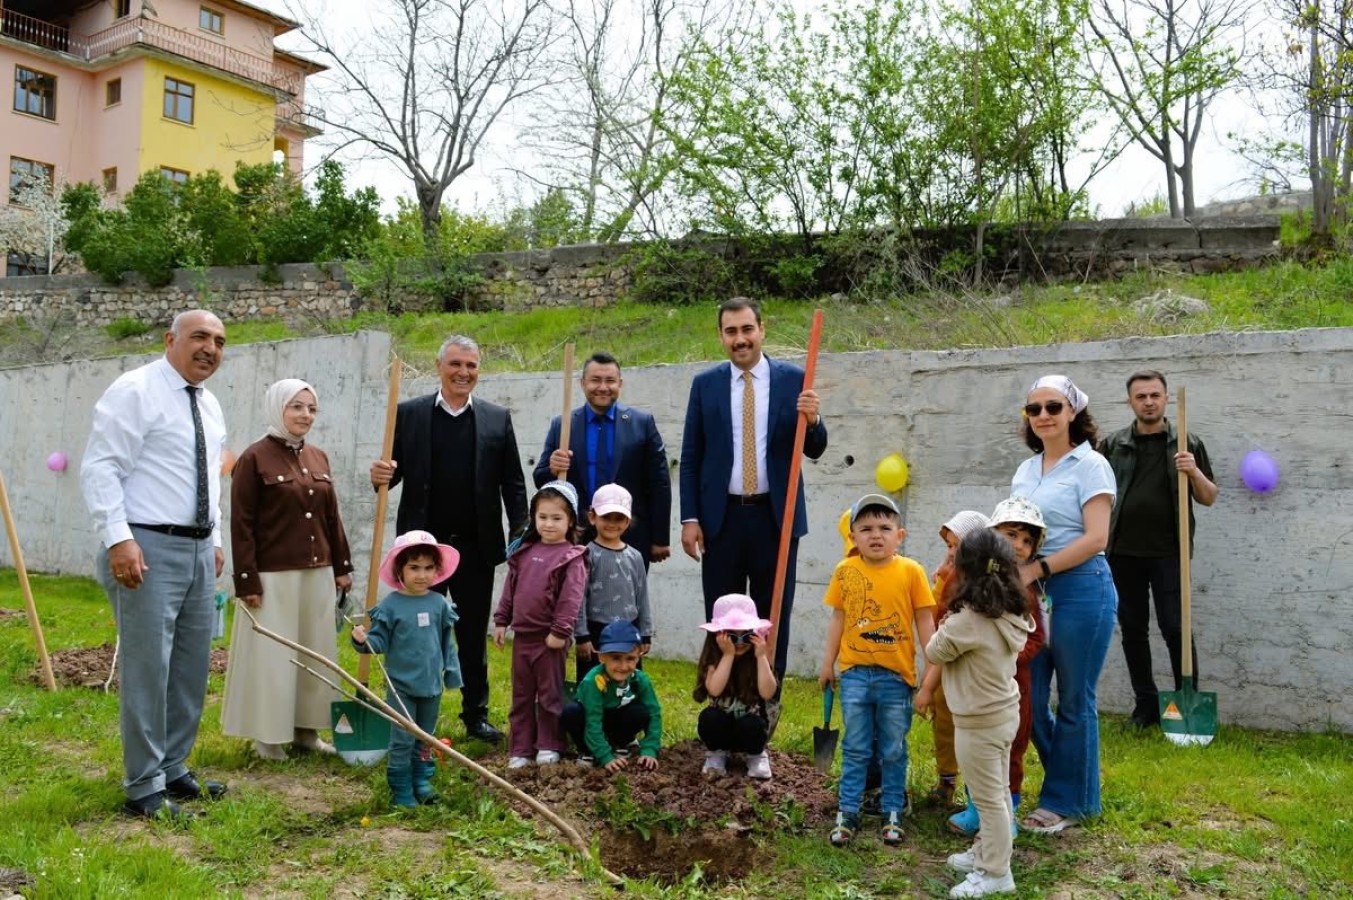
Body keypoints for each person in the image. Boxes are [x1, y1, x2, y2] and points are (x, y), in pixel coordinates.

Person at [80, 309, 230, 820]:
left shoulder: (209, 404)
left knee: (190, 665)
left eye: (219, 341)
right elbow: (101, 466)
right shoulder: (135, 390)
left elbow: (208, 480)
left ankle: (172, 766)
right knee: (149, 668)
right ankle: (143, 785)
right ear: (170, 339)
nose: (210, 348)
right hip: (145, 545)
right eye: (200, 337)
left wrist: (215, 539)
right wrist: (118, 539)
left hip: (197, 548)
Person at [370, 335, 529, 744]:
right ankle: (410, 712)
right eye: (456, 364)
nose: (463, 372)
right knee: (416, 632)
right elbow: (391, 475)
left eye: (471, 365)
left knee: (472, 634)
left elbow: (513, 481)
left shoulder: (496, 418)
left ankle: (476, 715)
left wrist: (520, 530)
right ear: (439, 367)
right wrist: (380, 475)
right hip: (422, 551)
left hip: (475, 547)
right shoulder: (410, 415)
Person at [679, 297, 827, 684]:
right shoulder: (705, 385)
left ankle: (765, 703)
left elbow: (814, 448)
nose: (740, 339)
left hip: (775, 519)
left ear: (762, 329)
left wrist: (814, 420)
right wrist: (690, 518)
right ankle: (722, 701)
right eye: (731, 331)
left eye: (747, 329)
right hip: (721, 520)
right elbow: (691, 455)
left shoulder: (793, 379)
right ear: (721, 336)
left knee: (772, 615)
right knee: (722, 619)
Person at [221, 379, 354, 761]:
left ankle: (306, 732)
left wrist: (341, 566)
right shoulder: (253, 458)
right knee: (273, 658)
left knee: (315, 654)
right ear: (277, 407)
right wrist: (247, 579)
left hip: (318, 573)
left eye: (311, 408)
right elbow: (241, 524)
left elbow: (332, 517)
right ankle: (268, 738)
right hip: (273, 577)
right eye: (296, 406)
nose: (305, 415)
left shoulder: (319, 457)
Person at [1009, 374, 1117, 834]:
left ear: (1073, 412)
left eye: (1053, 407)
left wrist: (1038, 569)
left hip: (1081, 587)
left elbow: (1097, 537)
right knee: (1028, 698)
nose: (1043, 416)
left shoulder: (1091, 465)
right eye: (1034, 409)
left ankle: (1064, 801)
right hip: (1031, 594)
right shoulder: (1025, 470)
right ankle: (1074, 785)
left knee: (1075, 698)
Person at [1100, 370, 1217, 728]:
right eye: (1141, 396)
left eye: (1154, 395)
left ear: (1166, 398)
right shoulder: (1113, 445)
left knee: (1176, 628)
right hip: (1122, 553)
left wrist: (1193, 471)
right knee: (1133, 629)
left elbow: (1209, 497)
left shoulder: (1186, 442)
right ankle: (1146, 706)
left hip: (1170, 553)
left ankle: (1187, 703)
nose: (1148, 402)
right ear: (1130, 402)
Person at [819, 493, 937, 848]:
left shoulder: (911, 572)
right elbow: (838, 618)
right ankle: (848, 811)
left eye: (885, 528)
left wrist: (932, 667)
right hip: (855, 674)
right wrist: (827, 663)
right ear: (852, 536)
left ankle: (892, 810)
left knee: (893, 749)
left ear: (900, 535)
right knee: (855, 747)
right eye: (866, 528)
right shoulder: (845, 572)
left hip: (896, 678)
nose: (875, 535)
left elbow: (924, 620)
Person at [926, 529, 1035, 899]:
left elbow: (934, 651)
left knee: (988, 799)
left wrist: (948, 615)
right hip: (1003, 713)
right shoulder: (1009, 611)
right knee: (998, 792)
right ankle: (987, 851)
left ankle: (995, 872)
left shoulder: (968, 620)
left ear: (964, 571)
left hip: (977, 721)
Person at [939, 498, 1048, 837]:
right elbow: (944, 616)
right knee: (974, 750)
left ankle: (1006, 813)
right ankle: (977, 808)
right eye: (1011, 535)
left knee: (1010, 749)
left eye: (1027, 540)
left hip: (1011, 687)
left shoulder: (1024, 589)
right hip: (972, 687)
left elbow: (1036, 636)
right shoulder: (962, 580)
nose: (1019, 545)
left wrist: (1003, 656)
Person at [352, 531, 462, 808]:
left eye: (428, 568)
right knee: (402, 738)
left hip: (431, 685)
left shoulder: (439, 604)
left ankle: (421, 780)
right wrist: (362, 641)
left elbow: (447, 643)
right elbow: (378, 642)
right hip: (401, 687)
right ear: (399, 570)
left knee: (425, 737)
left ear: (436, 570)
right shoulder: (391, 605)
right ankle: (401, 788)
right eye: (414, 568)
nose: (422, 575)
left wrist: (452, 672)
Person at [534, 351, 672, 565]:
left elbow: (659, 483)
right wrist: (552, 468)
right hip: (576, 537)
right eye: (595, 380)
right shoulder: (563, 425)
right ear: (582, 383)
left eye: (610, 381)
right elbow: (541, 480)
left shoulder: (641, 424)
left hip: (628, 535)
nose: (603, 387)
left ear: (620, 383)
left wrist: (660, 538)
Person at [493, 482, 587, 770]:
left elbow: (571, 598)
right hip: (523, 637)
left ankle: (549, 743)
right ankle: (521, 747)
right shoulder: (523, 553)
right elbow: (510, 590)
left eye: (557, 518)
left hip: (550, 640)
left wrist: (560, 631)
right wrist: (501, 620)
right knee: (521, 695)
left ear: (570, 520)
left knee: (549, 694)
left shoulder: (572, 557)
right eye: (542, 517)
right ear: (534, 518)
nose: (548, 524)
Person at [920, 510, 992, 811]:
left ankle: (978, 793)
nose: (951, 552)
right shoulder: (947, 577)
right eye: (948, 545)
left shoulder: (990, 584)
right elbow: (936, 617)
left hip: (975, 671)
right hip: (945, 665)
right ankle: (946, 780)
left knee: (974, 731)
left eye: (957, 545)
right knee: (944, 721)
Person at [573, 483, 653, 681]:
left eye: (619, 519)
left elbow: (642, 597)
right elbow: (579, 598)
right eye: (606, 517)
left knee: (627, 683)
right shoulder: (586, 554)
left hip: (628, 631)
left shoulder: (635, 557)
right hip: (596, 632)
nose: (612, 524)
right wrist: (582, 635)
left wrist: (645, 633)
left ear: (628, 521)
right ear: (592, 517)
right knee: (593, 684)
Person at [693, 594, 778, 779]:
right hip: (721, 730)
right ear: (718, 635)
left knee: (753, 724)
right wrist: (728, 655)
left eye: (746, 636)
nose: (739, 643)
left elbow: (768, 692)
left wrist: (761, 657)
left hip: (750, 731)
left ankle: (756, 756)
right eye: (732, 636)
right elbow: (714, 689)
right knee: (709, 717)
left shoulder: (757, 660)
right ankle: (717, 753)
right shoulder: (713, 661)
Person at [561, 620, 663, 771]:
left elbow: (654, 714)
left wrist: (650, 749)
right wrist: (605, 757)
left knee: (641, 712)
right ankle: (587, 750)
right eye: (615, 658)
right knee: (571, 712)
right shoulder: (593, 681)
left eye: (630, 658)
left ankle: (621, 742)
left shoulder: (640, 680)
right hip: (591, 720)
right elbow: (593, 721)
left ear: (638, 657)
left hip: (616, 720)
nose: (623, 666)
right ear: (602, 657)